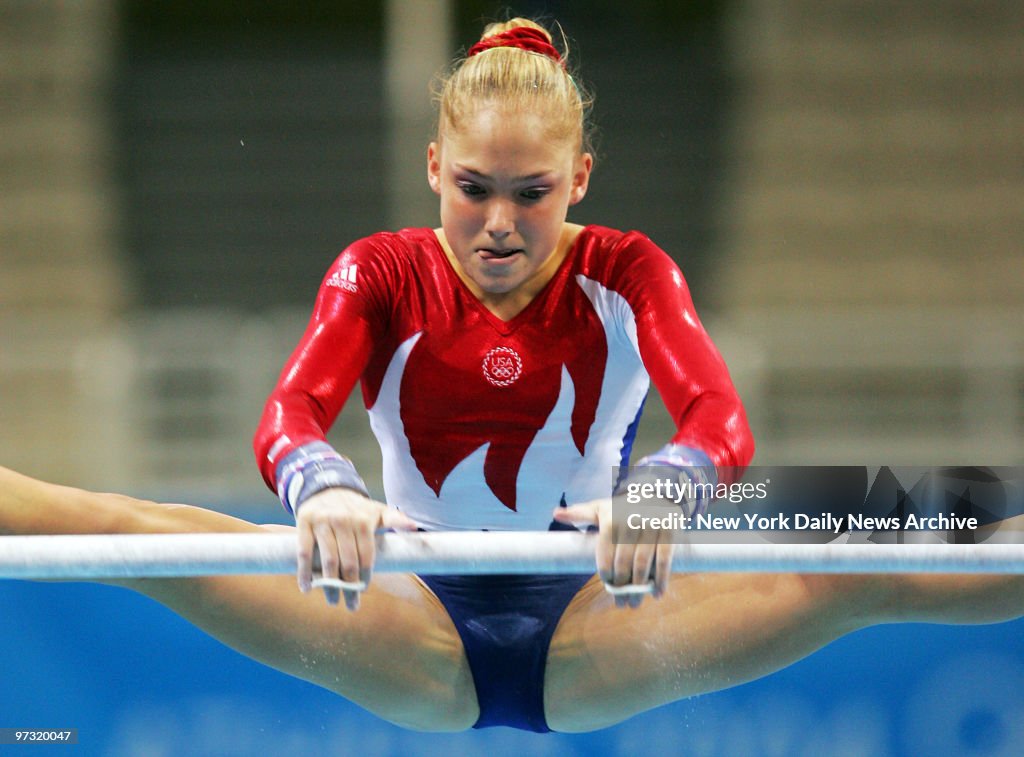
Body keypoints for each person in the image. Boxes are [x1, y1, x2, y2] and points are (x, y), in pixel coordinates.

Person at [2, 18, 1023, 736]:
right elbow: (290, 411)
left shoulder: (625, 269)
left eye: (531, 194)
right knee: (123, 526)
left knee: (877, 545)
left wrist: (668, 485)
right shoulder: (381, 269)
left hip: (601, 617)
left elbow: (718, 415)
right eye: (474, 188)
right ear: (433, 166)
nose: (498, 223)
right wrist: (323, 485)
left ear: (578, 178)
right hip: (408, 615)